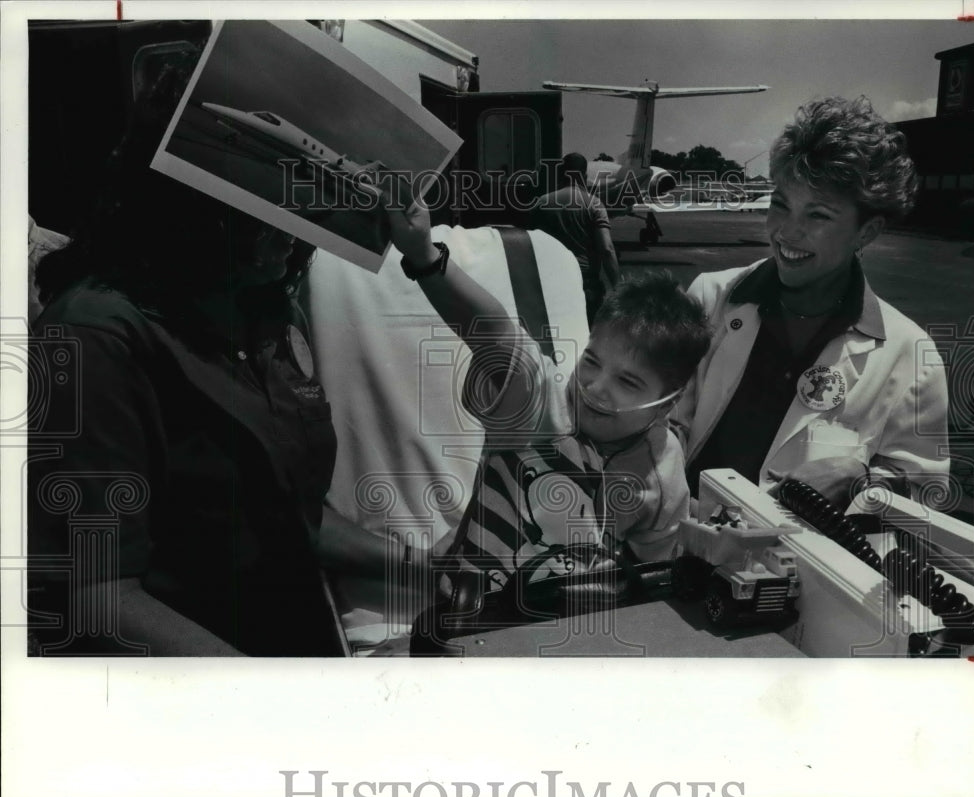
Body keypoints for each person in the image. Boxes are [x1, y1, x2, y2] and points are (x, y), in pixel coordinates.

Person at [27, 60, 417, 656]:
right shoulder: (94, 338)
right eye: (259, 215)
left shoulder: (260, 311)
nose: (291, 232)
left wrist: (423, 567)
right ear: (191, 212)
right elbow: (98, 594)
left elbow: (287, 516)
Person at [383, 190, 711, 590]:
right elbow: (495, 333)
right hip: (474, 607)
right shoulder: (544, 408)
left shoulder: (665, 466)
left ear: (669, 402)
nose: (595, 386)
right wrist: (426, 259)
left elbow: (652, 567)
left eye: (628, 382)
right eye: (591, 360)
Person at [672, 96, 950, 509]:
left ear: (867, 232)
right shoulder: (709, 298)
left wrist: (864, 480)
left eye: (817, 215)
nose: (786, 231)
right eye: (780, 203)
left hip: (803, 568)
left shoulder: (911, 353)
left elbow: (929, 492)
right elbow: (664, 420)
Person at [531, 152, 621, 326]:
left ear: (561, 174)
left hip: (551, 284)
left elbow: (531, 244)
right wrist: (618, 286)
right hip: (585, 283)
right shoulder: (594, 204)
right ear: (584, 176)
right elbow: (607, 249)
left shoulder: (541, 203)